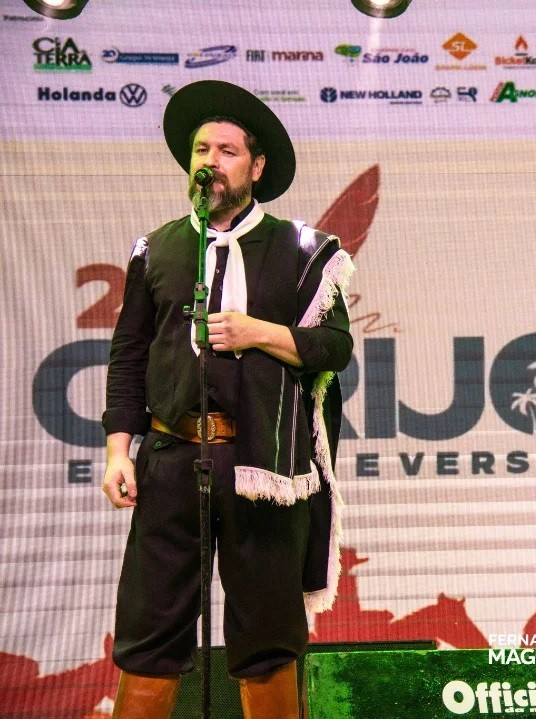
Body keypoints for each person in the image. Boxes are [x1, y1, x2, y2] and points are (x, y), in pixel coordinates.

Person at [100, 80, 355, 719]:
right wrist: (117, 452)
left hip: (261, 464)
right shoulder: (157, 248)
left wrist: (259, 333)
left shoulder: (304, 251)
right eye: (200, 149)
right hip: (170, 456)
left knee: (266, 636)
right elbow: (129, 356)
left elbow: (334, 347)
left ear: (257, 167)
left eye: (227, 150)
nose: (210, 161)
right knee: (150, 632)